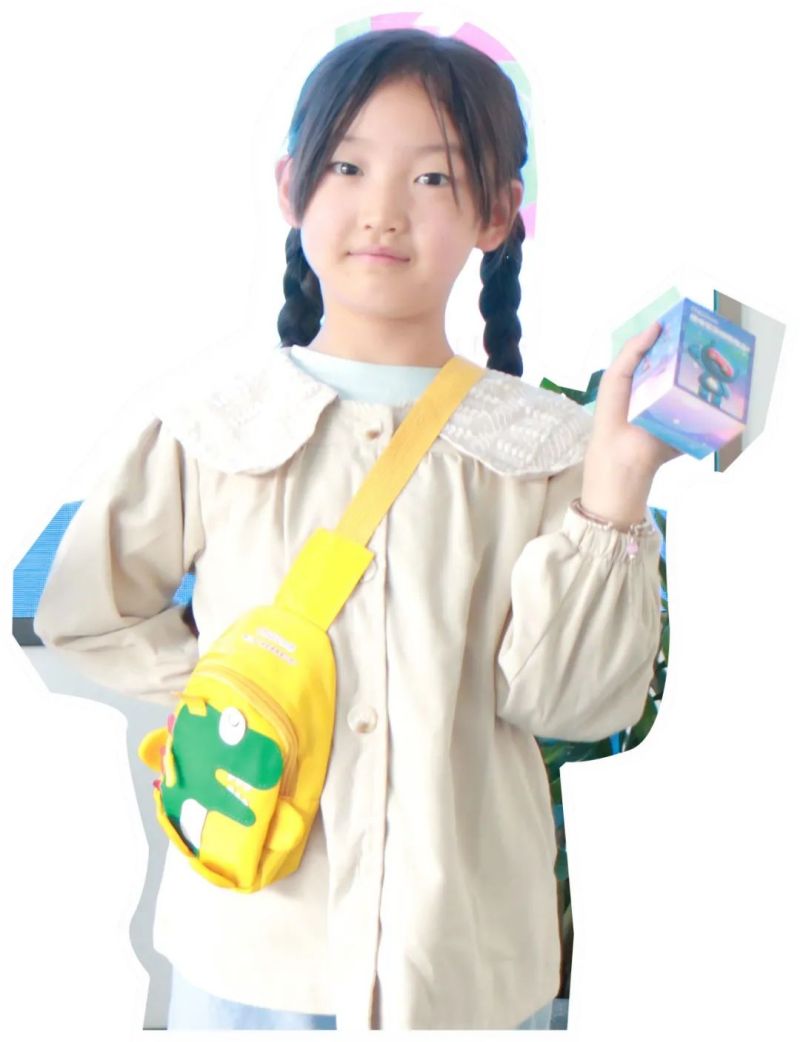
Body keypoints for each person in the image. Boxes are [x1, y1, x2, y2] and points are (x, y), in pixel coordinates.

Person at [34, 27, 677, 1031]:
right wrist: (232, 701)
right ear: (291, 187)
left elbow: (573, 701)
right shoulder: (212, 427)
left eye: (433, 177)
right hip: (254, 952)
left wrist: (618, 488)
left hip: (466, 965)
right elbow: (84, 611)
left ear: (498, 212)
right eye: (346, 166)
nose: (382, 208)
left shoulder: (552, 449)